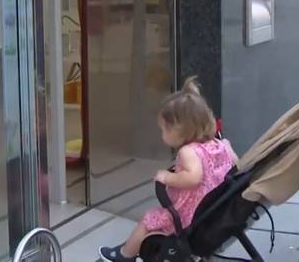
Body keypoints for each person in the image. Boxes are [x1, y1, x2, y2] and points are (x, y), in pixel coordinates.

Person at [98, 77, 237, 262]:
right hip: (212, 210)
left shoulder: (188, 152)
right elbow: (235, 162)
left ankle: (124, 255)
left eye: (164, 130)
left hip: (189, 215)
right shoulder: (220, 144)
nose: (162, 135)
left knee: (149, 220)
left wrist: (168, 177)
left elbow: (194, 177)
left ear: (181, 130)